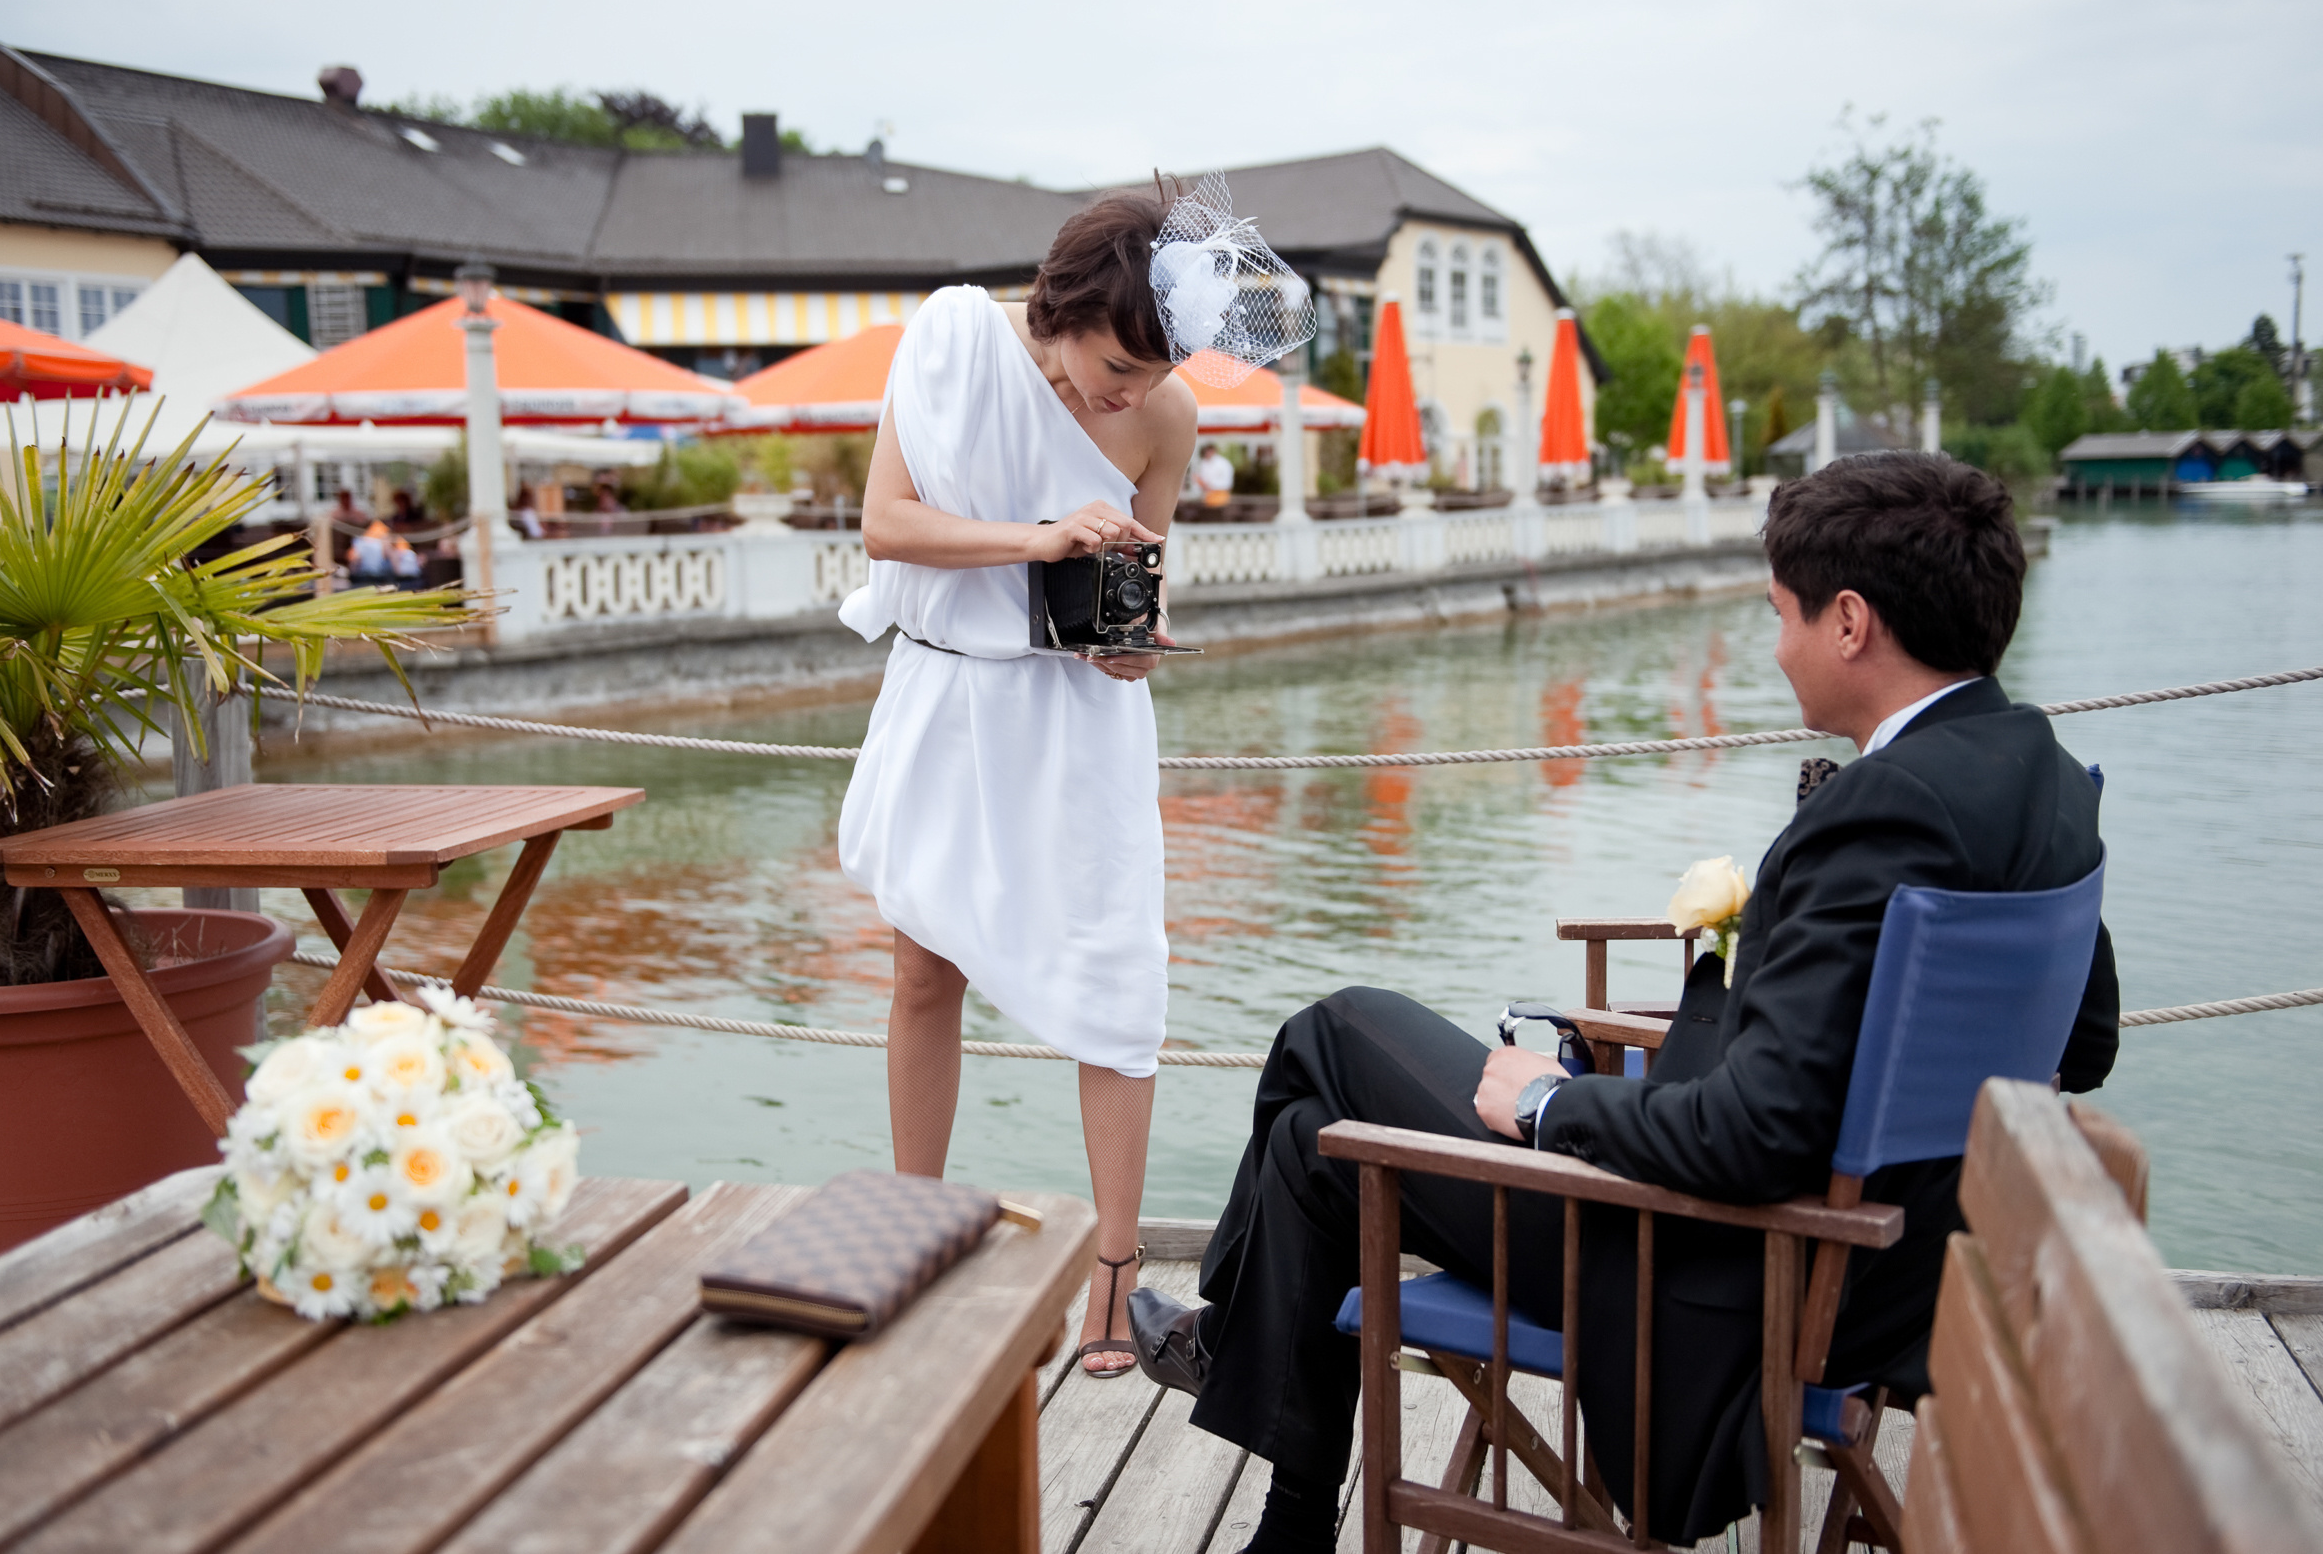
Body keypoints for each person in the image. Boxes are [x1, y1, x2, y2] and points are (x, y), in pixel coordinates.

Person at [1128, 451, 2120, 1550]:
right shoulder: (2047, 778)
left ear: (1850, 622)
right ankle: (1285, 1497)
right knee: (1316, 1144)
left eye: (1782, 615)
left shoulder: (1877, 815)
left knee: (1336, 1032)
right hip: (1899, 1271)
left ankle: (1240, 1351)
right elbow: (2085, 1040)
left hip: (1707, 1256)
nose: (1777, 644)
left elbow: (1757, 1135)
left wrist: (1554, 1106)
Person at [838, 176, 1314, 1379]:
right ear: (1060, 308)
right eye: (1117, 367)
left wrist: (1130, 637)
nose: (1129, 395)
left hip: (1080, 727)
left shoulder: (1167, 424)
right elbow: (887, 525)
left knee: (1116, 977)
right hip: (950, 697)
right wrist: (1041, 541)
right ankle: (912, 1221)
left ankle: (1115, 1276)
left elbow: (1128, 635)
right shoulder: (950, 343)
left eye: (1153, 376)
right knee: (920, 967)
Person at [1195, 442, 1235, 510]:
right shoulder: (1204, 463)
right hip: (1207, 497)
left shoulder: (1223, 463)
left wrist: (1209, 486)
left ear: (1213, 451)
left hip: (1220, 495)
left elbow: (1227, 482)